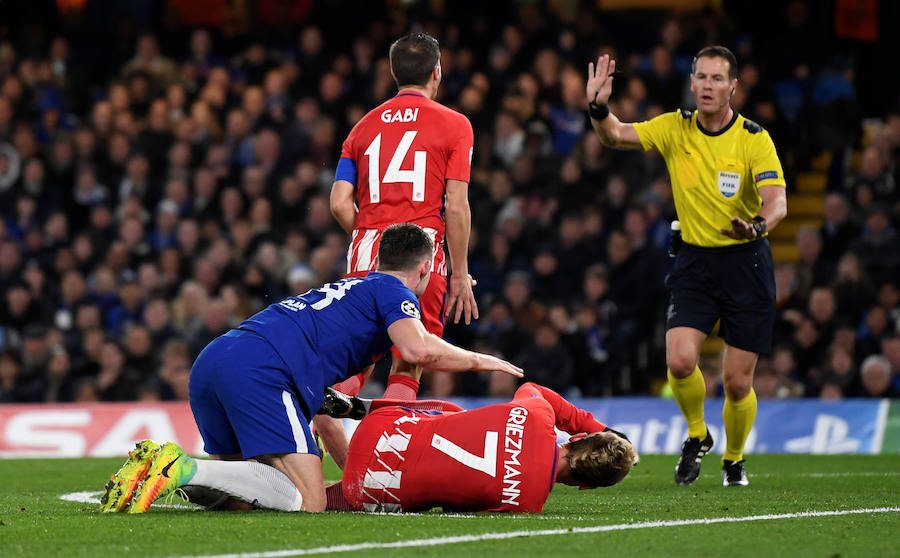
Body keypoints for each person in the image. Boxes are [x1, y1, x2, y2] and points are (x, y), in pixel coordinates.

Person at [99, 223, 522, 513]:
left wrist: (358, 422)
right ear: (426, 268)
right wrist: (480, 360)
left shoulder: (349, 288)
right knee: (309, 500)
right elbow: (417, 349)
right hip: (262, 371)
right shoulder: (394, 289)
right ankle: (182, 467)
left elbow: (321, 403)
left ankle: (159, 470)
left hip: (216, 359)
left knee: (242, 493)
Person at [585, 46, 788, 486]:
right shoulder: (675, 128)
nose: (709, 87)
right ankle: (697, 435)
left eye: (719, 79)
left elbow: (778, 204)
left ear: (733, 86)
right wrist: (599, 106)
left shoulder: (754, 139)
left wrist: (755, 227)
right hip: (695, 260)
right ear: (692, 83)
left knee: (737, 383)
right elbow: (615, 135)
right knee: (679, 361)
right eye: (703, 78)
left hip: (746, 261)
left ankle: (733, 460)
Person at [329, 32, 476, 403]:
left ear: (394, 74)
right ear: (437, 73)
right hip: (421, 251)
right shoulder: (456, 125)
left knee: (359, 356)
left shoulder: (361, 128)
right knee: (410, 357)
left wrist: (369, 234)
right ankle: (388, 447)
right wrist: (459, 274)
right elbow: (456, 206)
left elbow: (339, 203)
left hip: (367, 249)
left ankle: (329, 407)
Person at [323, 382, 637, 513]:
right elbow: (452, 507)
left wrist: (598, 428)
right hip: (367, 490)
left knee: (457, 415)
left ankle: (362, 407)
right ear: (585, 486)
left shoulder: (535, 413)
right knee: (437, 485)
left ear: (577, 438)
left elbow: (534, 389)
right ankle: (315, 494)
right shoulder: (524, 506)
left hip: (383, 425)